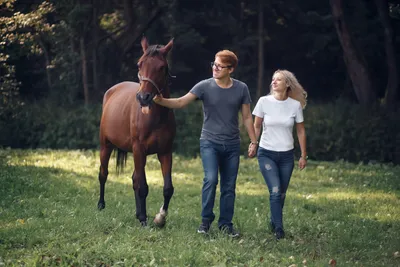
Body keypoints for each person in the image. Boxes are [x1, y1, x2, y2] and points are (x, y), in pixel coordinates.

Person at [153, 50, 258, 237]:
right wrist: (160, 101)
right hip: (209, 142)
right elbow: (180, 102)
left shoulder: (241, 88)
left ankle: (226, 225)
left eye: (220, 66)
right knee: (210, 179)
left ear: (231, 69)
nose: (215, 68)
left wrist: (253, 141)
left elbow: (247, 117)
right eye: (214, 64)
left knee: (229, 186)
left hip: (232, 145)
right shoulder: (204, 86)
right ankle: (205, 222)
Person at [248, 69, 307, 240]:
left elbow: (301, 131)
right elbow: (256, 125)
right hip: (267, 153)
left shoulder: (295, 106)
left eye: (278, 80)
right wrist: (253, 143)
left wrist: (303, 155)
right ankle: (279, 230)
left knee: (281, 193)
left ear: (287, 84)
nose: (274, 82)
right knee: (275, 190)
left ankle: (274, 221)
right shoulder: (264, 102)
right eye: (273, 79)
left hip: (287, 156)